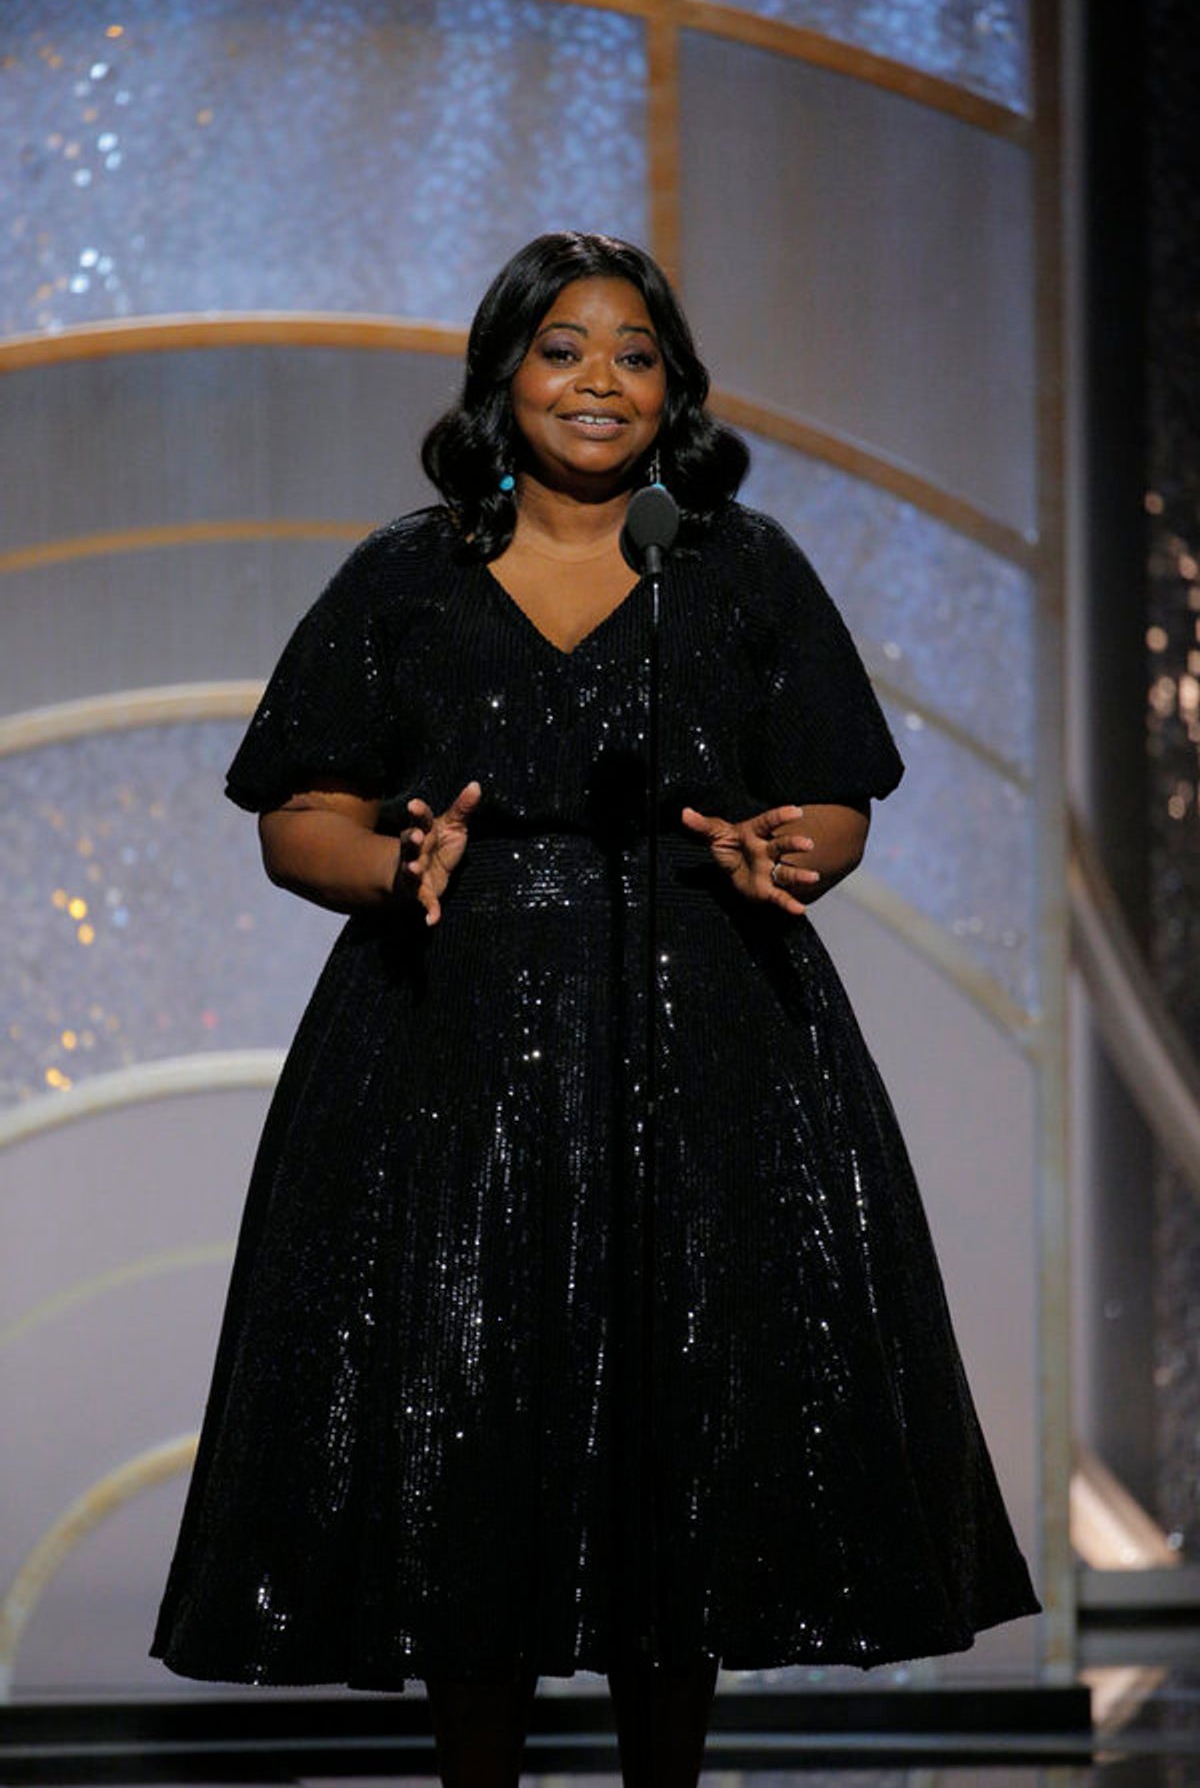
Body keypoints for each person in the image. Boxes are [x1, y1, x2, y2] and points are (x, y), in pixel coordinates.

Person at [152, 231, 1039, 1785]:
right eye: (564, 349)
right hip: (444, 1038)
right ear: (503, 377)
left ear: (673, 390)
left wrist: (795, 851)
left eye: (635, 355)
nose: (599, 381)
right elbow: (300, 814)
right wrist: (393, 863)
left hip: (710, 1033)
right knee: (464, 1410)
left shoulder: (735, 566)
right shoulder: (406, 574)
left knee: (679, 1420)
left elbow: (833, 796)